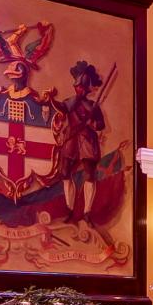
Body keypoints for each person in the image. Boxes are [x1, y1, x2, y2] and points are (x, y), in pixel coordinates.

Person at [59, 60, 106, 223]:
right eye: (77, 86)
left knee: (89, 174)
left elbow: (100, 125)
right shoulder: (69, 102)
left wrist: (92, 122)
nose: (79, 89)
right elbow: (62, 111)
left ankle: (86, 212)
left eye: (81, 87)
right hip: (72, 138)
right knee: (65, 172)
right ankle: (69, 209)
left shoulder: (93, 106)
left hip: (87, 140)